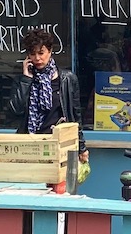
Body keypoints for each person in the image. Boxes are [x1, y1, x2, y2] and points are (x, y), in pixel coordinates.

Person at [16, 28, 89, 165]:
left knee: (59, 186)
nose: (37, 58)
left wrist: (82, 147)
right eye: (32, 54)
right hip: (30, 147)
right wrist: (26, 80)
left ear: (50, 51)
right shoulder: (24, 80)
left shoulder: (67, 79)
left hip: (59, 145)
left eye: (41, 53)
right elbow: (15, 111)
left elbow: (75, 115)